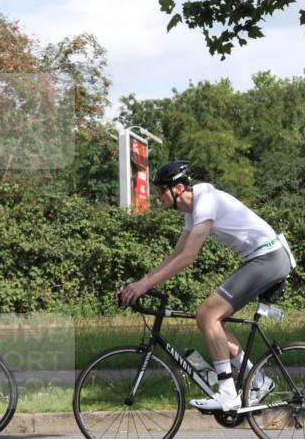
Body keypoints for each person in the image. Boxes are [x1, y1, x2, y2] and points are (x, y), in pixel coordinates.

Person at [117, 160, 294, 412]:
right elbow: (176, 255)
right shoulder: (193, 211)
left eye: (161, 191)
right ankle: (260, 382)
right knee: (212, 321)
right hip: (260, 259)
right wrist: (140, 283)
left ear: (178, 189)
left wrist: (143, 286)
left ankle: (228, 394)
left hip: (268, 258)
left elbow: (189, 257)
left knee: (207, 314)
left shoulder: (206, 200)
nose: (158, 197)